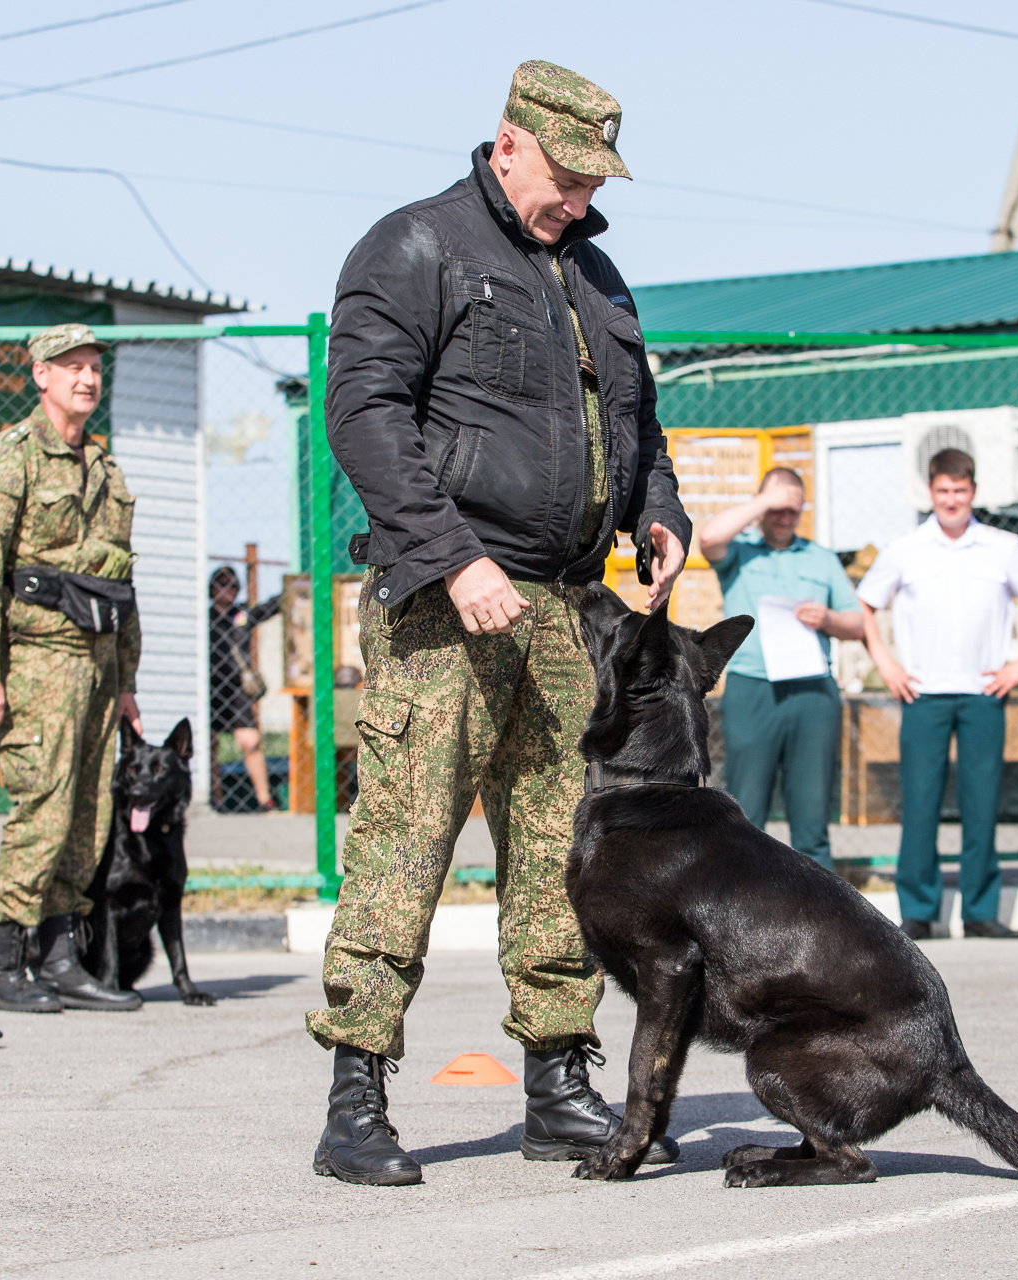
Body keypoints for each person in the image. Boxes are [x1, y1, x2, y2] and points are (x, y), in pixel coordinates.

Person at [312, 60, 690, 1186]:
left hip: (571, 606)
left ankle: (559, 1077)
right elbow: (363, 414)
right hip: (448, 600)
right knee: (405, 837)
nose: (580, 198)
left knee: (565, 850)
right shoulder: (416, 246)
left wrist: (658, 512)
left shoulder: (599, 274)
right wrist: (454, 554)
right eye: (569, 174)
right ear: (509, 141)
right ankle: (358, 1091)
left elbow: (640, 424)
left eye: (595, 180)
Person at [0, 322, 146, 1013]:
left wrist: (126, 681)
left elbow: (122, 584)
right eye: (72, 366)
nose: (87, 379)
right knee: (42, 809)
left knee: (89, 815)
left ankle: (61, 955)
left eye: (94, 367)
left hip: (97, 669)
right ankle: (4, 965)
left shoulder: (105, 469)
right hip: (37, 663)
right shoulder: (13, 460)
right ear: (40, 375)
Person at [856, 448, 1018, 942]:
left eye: (960, 492)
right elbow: (864, 606)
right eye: (943, 491)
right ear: (931, 492)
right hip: (923, 695)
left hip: (984, 694)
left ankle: (981, 911)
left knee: (981, 802)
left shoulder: (1003, 547)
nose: (951, 500)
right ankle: (919, 912)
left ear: (973, 493)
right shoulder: (905, 548)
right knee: (920, 803)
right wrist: (887, 664)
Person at [697, 467, 862, 870]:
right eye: (777, 508)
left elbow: (857, 624)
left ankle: (821, 916)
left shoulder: (820, 559)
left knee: (812, 814)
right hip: (754, 690)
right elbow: (708, 538)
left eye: (793, 509)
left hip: (812, 692)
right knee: (746, 811)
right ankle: (743, 909)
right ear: (762, 505)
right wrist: (766, 500)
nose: (785, 517)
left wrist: (827, 619)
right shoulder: (741, 552)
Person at [208, 566, 282, 811]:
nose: (226, 589)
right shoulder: (203, 618)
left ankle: (264, 800)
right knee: (208, 743)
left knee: (250, 741)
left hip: (237, 689)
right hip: (210, 687)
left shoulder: (241, 615)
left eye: (231, 585)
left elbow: (269, 608)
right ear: (211, 588)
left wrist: (297, 587)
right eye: (221, 584)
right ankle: (214, 799)